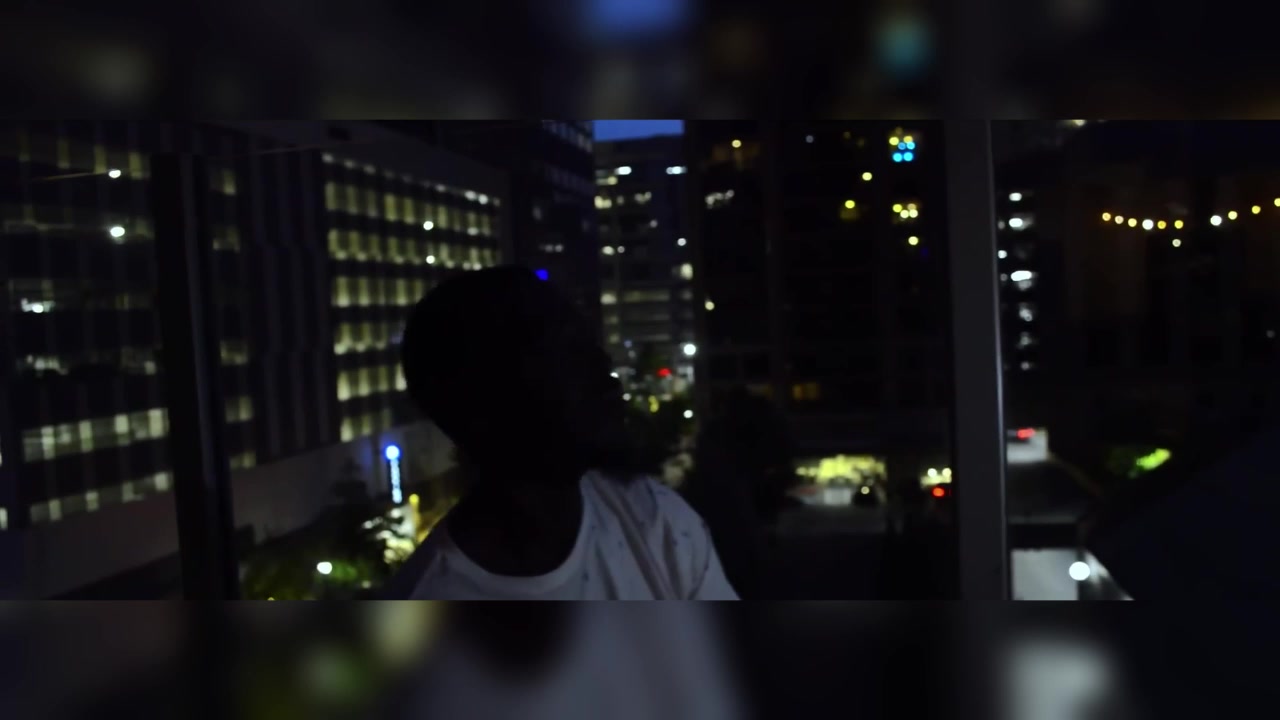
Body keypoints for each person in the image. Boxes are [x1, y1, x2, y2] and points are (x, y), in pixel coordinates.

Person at [384, 266, 738, 600]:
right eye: (568, 353)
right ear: (484, 403)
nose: (606, 371)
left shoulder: (656, 521)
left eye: (590, 345)